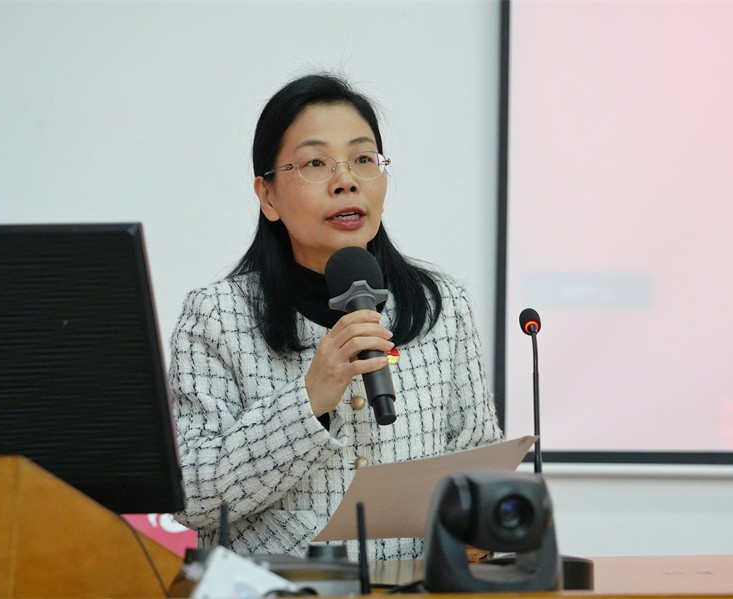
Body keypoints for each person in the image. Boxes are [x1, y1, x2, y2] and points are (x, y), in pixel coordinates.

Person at [168, 73, 502, 561]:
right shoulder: (216, 317)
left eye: (363, 159)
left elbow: (479, 467)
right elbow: (190, 495)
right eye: (315, 163)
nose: (346, 181)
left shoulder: (440, 306)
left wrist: (479, 528)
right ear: (268, 196)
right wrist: (309, 400)